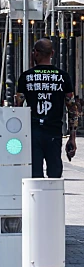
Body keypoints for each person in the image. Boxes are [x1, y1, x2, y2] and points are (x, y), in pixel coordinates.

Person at [16, 38, 79, 178]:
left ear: (35, 53)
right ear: (53, 53)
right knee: (54, 175)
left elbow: (17, 108)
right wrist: (72, 137)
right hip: (54, 132)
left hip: (32, 133)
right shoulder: (63, 77)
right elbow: (72, 108)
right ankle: (53, 199)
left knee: (34, 176)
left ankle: (35, 199)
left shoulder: (26, 77)